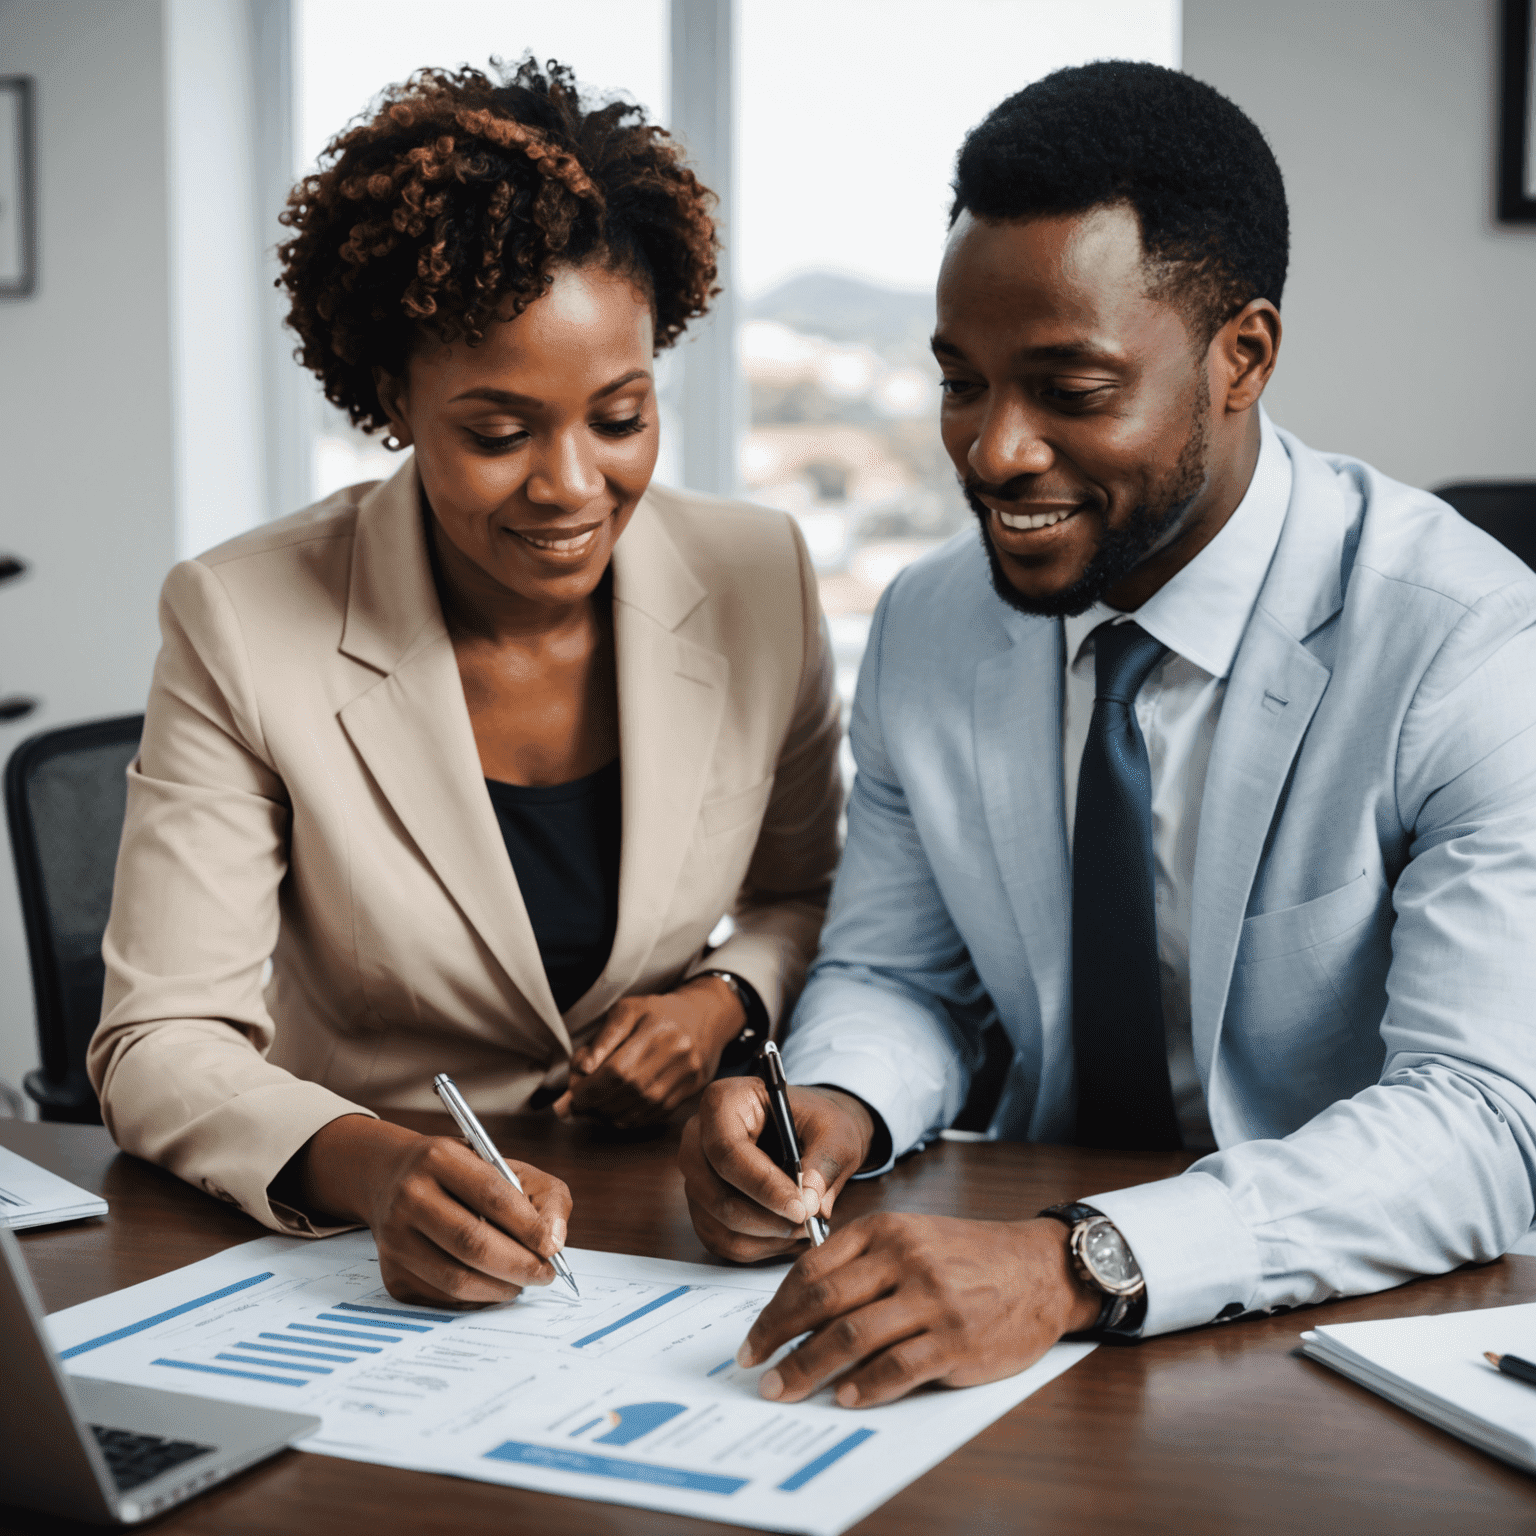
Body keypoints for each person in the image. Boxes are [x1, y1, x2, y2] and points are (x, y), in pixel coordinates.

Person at [680, 60, 1536, 1409]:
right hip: (1001, 1311)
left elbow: (1485, 1125)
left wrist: (1077, 1263)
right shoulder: (929, 623)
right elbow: (907, 973)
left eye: (1069, 390)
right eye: (962, 383)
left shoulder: (1468, 644)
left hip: (1341, 1338)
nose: (994, 452)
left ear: (1240, 356)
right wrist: (831, 1110)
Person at [90, 59, 842, 1308]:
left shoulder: (759, 573)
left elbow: (809, 893)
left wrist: (721, 1001)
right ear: (393, 399)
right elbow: (158, 1040)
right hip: (356, 1244)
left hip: (673, 1230)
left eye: (620, 417)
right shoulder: (241, 615)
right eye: (499, 433)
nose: (569, 485)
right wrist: (374, 1168)